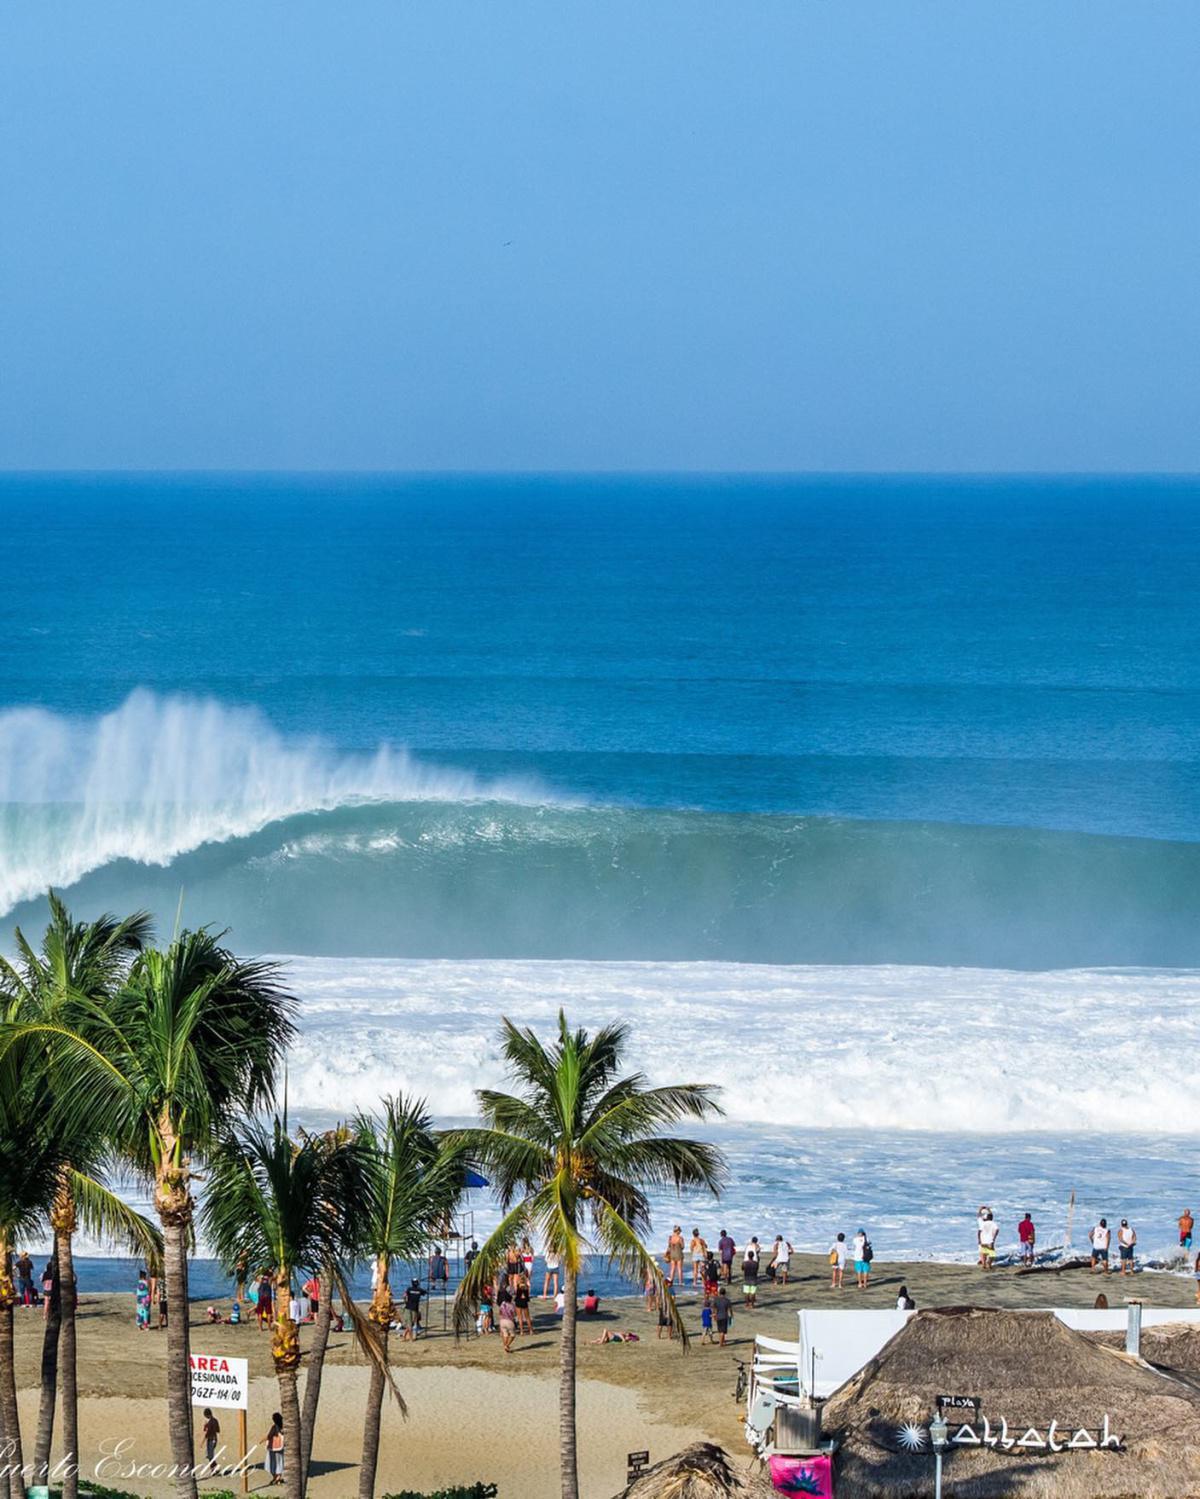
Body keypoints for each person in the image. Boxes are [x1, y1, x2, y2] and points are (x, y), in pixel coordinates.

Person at [262, 1412, 284, 1484]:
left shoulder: (274, 1427)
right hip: (281, 1448)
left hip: (273, 1448)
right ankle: (278, 1477)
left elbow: (269, 1435)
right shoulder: (284, 1427)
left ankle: (276, 1477)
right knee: (280, 1462)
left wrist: (262, 1440)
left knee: (271, 1463)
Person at [497, 1287, 516, 1352]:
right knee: (513, 1335)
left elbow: (500, 1313)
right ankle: (507, 1345)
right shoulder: (512, 1305)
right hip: (509, 1321)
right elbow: (514, 1314)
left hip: (502, 1321)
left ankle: (505, 1346)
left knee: (505, 1334)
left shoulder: (502, 1304)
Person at [742, 1238, 760, 1307]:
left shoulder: (745, 1263)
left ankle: (747, 1304)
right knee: (753, 1292)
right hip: (754, 1278)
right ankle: (752, 1304)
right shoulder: (756, 1263)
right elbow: (757, 1269)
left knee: (747, 1292)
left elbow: (742, 1268)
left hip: (747, 1277)